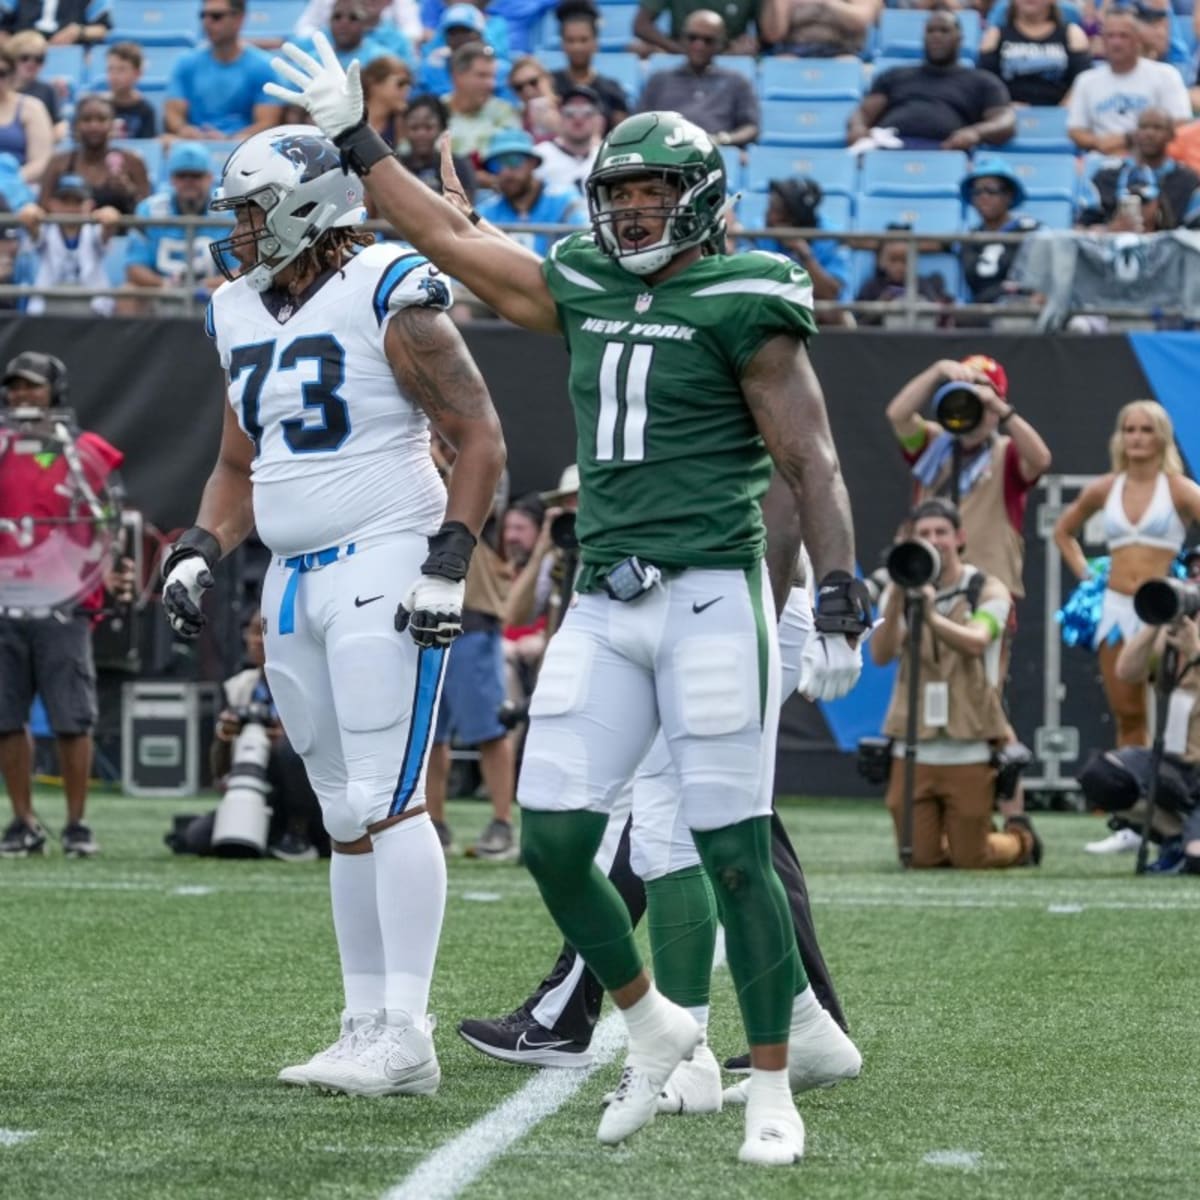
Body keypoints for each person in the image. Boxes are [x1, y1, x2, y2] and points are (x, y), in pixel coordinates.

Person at [268, 39, 869, 1163]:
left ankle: (778, 1080)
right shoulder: (585, 281)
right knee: (553, 841)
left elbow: (813, 461)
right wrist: (360, 143)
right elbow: (450, 238)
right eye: (620, 196)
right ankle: (653, 1023)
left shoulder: (750, 293)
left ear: (699, 201)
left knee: (731, 850)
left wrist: (835, 586)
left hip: (709, 593)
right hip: (605, 596)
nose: (635, 215)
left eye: (653, 196)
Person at [160, 124, 506, 1095]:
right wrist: (199, 546)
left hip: (385, 558)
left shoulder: (385, 285)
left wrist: (448, 560)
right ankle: (363, 1027)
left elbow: (479, 437)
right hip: (292, 573)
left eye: (249, 208)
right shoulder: (234, 308)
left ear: (303, 205)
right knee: (342, 809)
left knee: (392, 801)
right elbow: (240, 465)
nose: (235, 228)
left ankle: (408, 1029)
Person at [459, 522, 861, 1113]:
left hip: (726, 602)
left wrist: (811, 609)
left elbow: (799, 473)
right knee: (673, 828)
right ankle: (806, 1026)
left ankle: (685, 1054)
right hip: (652, 604)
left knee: (674, 830)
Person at [0, 352, 131, 859]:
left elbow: (112, 519)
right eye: (14, 387)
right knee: (7, 719)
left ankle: (77, 824)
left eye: (32, 386)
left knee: (72, 719)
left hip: (64, 602)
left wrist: (107, 566)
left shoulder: (82, 451)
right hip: (6, 601)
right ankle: (23, 822)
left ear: (56, 391)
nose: (22, 396)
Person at [871, 499, 1042, 869]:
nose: (934, 541)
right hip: (913, 742)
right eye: (924, 534)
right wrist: (899, 596)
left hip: (969, 741)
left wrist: (929, 616)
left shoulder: (986, 588)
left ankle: (1020, 841)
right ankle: (946, 837)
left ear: (960, 537)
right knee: (917, 857)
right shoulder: (898, 590)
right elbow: (881, 654)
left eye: (941, 533)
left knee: (973, 858)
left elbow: (977, 640)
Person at [1053, 400, 1200, 753]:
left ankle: (1177, 791)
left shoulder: (1179, 489)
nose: (1136, 438)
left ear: (1162, 437)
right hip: (1116, 609)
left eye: (1146, 430)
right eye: (1129, 430)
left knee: (1181, 705)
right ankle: (1132, 800)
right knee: (1128, 713)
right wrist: (1090, 577)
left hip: (1166, 611)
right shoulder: (1105, 488)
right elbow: (1063, 532)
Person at [424, 442, 516, 858]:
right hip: (424, 615)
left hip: (473, 620)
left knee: (489, 730)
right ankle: (434, 824)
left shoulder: (484, 451)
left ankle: (502, 823)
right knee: (430, 734)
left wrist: (437, 459)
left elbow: (480, 497)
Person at [1079, 568, 1200, 873]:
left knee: (1197, 860)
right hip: (1175, 762)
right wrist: (1155, 619)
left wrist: (1195, 652)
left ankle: (1190, 841)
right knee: (1101, 777)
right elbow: (1127, 671)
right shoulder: (1172, 634)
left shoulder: (1190, 644)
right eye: (1194, 571)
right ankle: (1174, 835)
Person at [207, 609, 328, 862]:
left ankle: (299, 834)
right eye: (253, 632)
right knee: (199, 838)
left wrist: (290, 736)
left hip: (311, 796)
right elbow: (219, 773)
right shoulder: (238, 687)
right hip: (259, 790)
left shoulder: (315, 684)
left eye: (266, 632)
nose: (259, 640)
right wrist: (225, 737)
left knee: (290, 748)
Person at [847, 9, 1016, 151]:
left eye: (944, 31)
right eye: (931, 31)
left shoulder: (983, 81)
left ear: (960, 38)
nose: (936, 36)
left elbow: (1005, 121)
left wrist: (975, 132)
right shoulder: (895, 75)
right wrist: (858, 128)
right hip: (889, 150)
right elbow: (864, 113)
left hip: (945, 153)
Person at [1066, 7, 1189, 155]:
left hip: (1154, 158)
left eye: (1124, 36)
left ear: (1138, 39)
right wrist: (1098, 142)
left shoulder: (1166, 75)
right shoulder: (1086, 80)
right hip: (1103, 160)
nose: (1116, 42)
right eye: (1110, 36)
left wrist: (1128, 139)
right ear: (1102, 40)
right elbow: (1076, 129)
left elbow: (1180, 124)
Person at [125, 142, 231, 309]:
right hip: (162, 292)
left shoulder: (228, 211)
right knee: (128, 292)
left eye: (196, 176)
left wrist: (203, 286)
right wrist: (165, 284)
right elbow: (134, 267)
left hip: (215, 295)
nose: (189, 182)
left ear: (209, 178)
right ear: (172, 179)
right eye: (182, 176)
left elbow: (239, 271)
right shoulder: (148, 209)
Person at [638, 10, 760, 148]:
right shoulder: (659, 80)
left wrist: (723, 139)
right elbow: (640, 125)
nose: (699, 45)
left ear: (720, 43)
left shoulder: (737, 81)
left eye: (708, 40)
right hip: (663, 153)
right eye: (692, 38)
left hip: (716, 153)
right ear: (683, 39)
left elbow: (751, 128)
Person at [165, 0, 284, 140]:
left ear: (239, 19)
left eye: (216, 16)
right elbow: (174, 113)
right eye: (203, 15)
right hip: (195, 146)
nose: (207, 22)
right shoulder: (185, 62)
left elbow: (267, 122)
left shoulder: (263, 66)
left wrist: (229, 140)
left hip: (242, 147)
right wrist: (185, 130)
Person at [1077, 107, 1200, 232]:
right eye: (1143, 127)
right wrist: (1111, 229)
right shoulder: (1107, 176)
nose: (1149, 133)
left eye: (1157, 128)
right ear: (1134, 134)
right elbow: (1080, 230)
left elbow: (1195, 234)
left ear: (1171, 135)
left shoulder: (1187, 180)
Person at [18, 171, 119, 314]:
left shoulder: (94, 230)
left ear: (90, 206)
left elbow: (107, 230)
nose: (71, 208)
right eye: (65, 201)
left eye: (77, 202)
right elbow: (32, 226)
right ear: (52, 204)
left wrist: (110, 218)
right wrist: (30, 213)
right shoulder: (46, 230)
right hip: (48, 310)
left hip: (93, 311)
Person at [475, 128, 587, 256]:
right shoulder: (485, 212)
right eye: (495, 165)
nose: (505, 171)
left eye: (513, 161)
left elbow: (583, 251)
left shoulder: (565, 202)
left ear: (532, 163)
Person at [39, 95, 151, 215]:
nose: (94, 126)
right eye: (87, 120)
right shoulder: (58, 163)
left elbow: (146, 213)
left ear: (112, 125)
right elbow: (43, 209)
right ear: (76, 125)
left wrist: (128, 191)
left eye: (101, 119)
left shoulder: (132, 162)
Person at [750, 177, 849, 308]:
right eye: (770, 204)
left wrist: (804, 254)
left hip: (814, 310)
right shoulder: (757, 232)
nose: (768, 214)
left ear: (795, 218)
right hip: (768, 307)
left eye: (776, 210)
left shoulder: (829, 236)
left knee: (832, 314)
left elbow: (830, 294)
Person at [958, 156, 1041, 308]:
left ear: (1008, 196)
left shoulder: (1030, 230)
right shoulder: (970, 237)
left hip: (1018, 310)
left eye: (991, 191)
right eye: (977, 192)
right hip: (979, 313)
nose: (983, 197)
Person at [977, 0, 1091, 107]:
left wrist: (1064, 108)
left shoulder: (1072, 34)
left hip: (1062, 114)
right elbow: (985, 83)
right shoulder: (994, 35)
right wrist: (1005, 106)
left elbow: (1082, 81)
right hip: (1007, 117)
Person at [552, 0, 629, 132]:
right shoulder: (549, 84)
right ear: (562, 44)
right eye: (571, 40)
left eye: (583, 40)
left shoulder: (612, 89)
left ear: (595, 43)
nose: (577, 47)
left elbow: (623, 132)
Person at [443, 43, 518, 162]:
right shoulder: (436, 110)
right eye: (482, 76)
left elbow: (513, 160)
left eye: (492, 77)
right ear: (457, 76)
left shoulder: (503, 111)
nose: (491, 84)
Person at [398, 92, 476, 198]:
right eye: (414, 127)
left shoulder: (457, 167)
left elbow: (464, 208)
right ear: (405, 129)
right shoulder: (397, 166)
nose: (421, 134)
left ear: (441, 128)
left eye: (428, 127)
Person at [535, 83, 604, 195]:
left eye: (587, 112)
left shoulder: (606, 157)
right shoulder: (539, 156)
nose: (578, 118)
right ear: (560, 117)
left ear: (598, 120)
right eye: (570, 112)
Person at [757, 0, 880, 59]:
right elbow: (773, 35)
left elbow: (862, 20)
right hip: (794, 48)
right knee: (783, 62)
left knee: (847, 63)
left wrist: (827, 2)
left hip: (843, 48)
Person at [294, 1, 395, 73]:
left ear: (364, 24)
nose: (344, 23)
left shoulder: (382, 60)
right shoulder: (312, 61)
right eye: (337, 17)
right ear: (329, 22)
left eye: (353, 18)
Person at [0, 45, 50, 185]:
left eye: (1, 73)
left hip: (19, 186)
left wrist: (9, 182)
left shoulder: (32, 108)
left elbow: (41, 161)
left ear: (12, 75)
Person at [636, 0, 761, 54]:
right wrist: (680, 50)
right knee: (637, 49)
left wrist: (749, 45)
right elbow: (641, 25)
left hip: (732, 56)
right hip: (679, 53)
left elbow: (770, 37)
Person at [9, 30, 64, 140]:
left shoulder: (48, 90)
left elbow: (58, 125)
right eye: (25, 57)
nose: (31, 63)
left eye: (39, 59)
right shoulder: (3, 88)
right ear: (12, 58)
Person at [103, 42, 158, 140]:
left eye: (121, 69)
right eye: (110, 69)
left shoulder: (146, 110)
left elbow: (148, 146)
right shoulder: (99, 106)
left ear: (137, 74)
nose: (114, 76)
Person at [0, 0, 111, 44]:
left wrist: (78, 31)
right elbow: (3, 29)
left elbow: (102, 29)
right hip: (20, 57)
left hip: (67, 55)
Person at [361, 52, 412, 146]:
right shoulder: (349, 119)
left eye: (409, 84)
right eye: (401, 83)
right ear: (373, 83)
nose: (407, 90)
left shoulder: (404, 125)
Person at [508, 55, 560, 143]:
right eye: (519, 87)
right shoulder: (515, 121)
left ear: (548, 79)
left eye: (533, 82)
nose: (527, 91)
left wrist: (560, 127)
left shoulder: (571, 107)